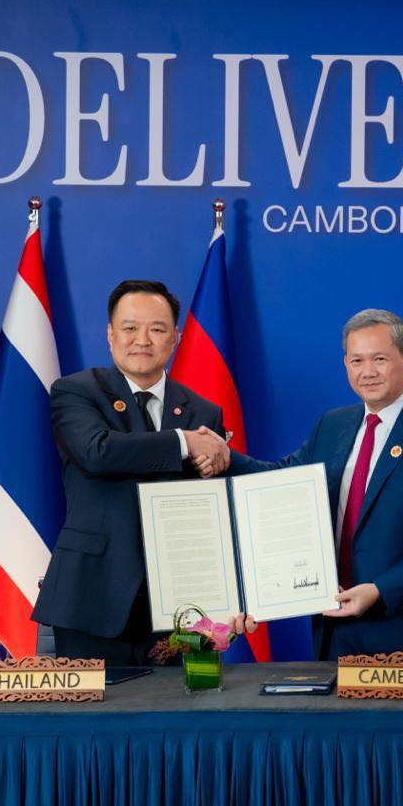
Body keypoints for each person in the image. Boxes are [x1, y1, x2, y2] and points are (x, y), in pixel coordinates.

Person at [224, 309, 403, 660]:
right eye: (357, 360)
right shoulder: (333, 425)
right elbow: (283, 480)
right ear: (346, 364)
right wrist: (224, 457)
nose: (367, 372)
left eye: (379, 359)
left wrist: (379, 590)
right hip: (337, 628)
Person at [32, 280, 247, 665]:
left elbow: (210, 512)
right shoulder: (75, 391)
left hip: (179, 609)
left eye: (157, 328)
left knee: (176, 721)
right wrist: (184, 443)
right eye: (130, 328)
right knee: (88, 723)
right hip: (91, 599)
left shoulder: (204, 411)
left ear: (176, 337)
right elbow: (97, 452)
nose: (142, 339)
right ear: (111, 335)